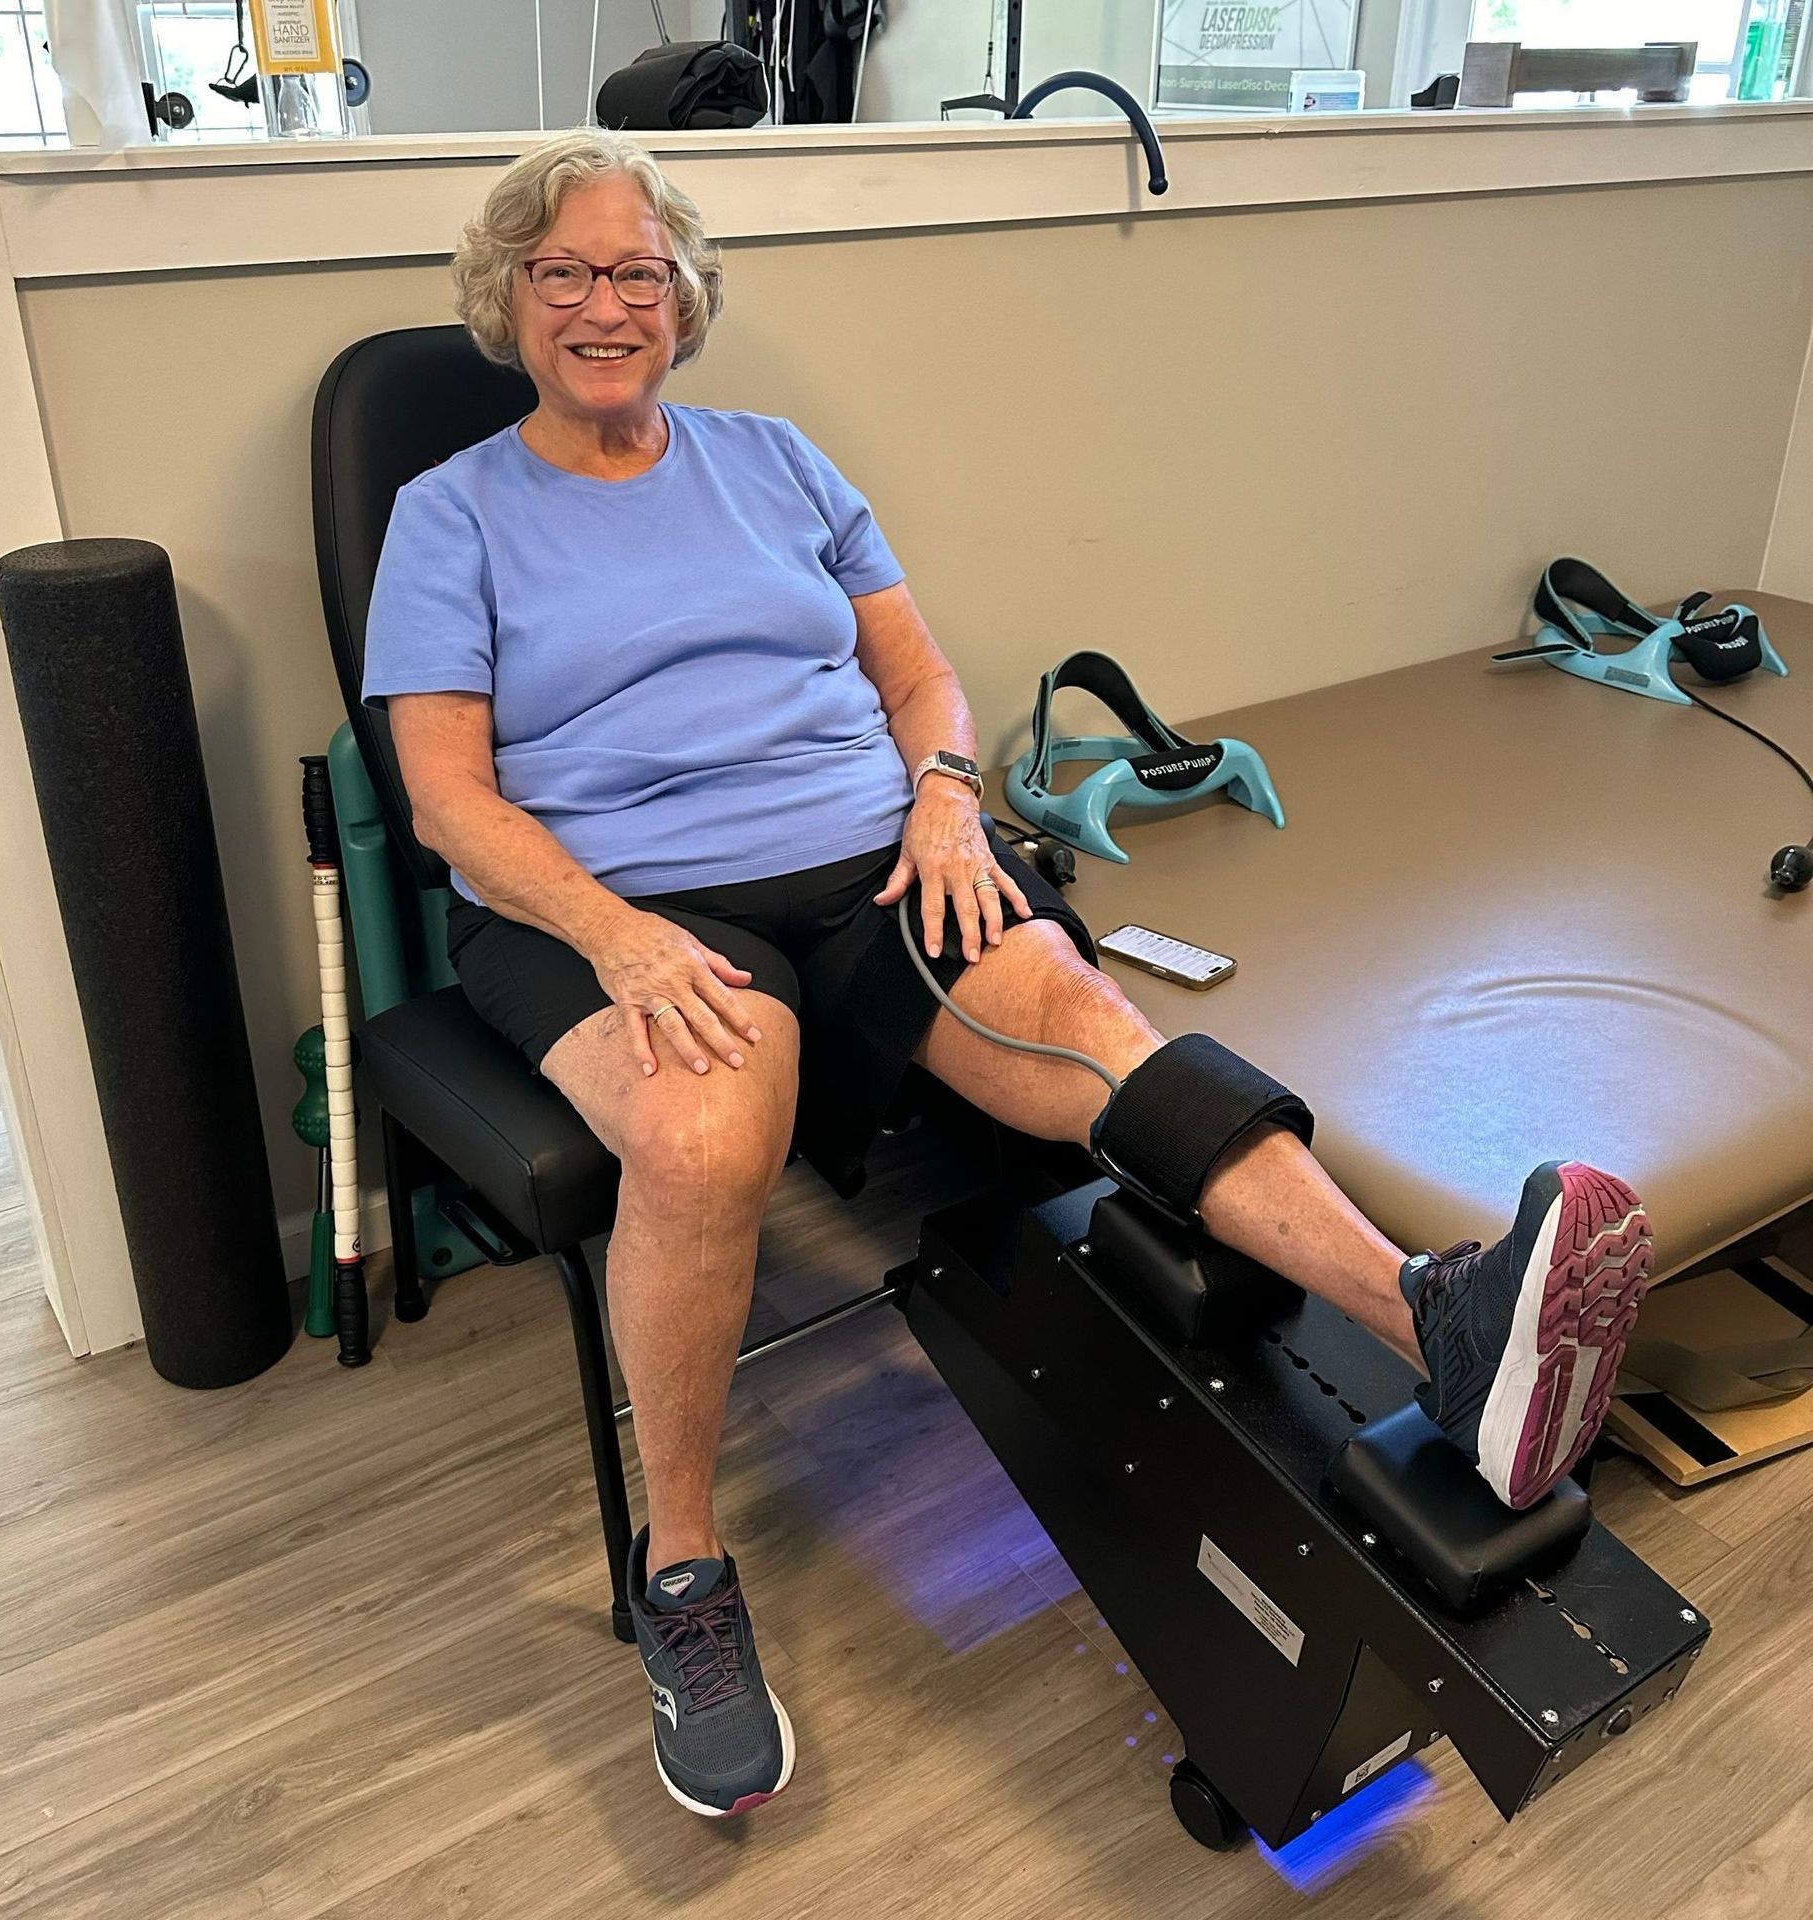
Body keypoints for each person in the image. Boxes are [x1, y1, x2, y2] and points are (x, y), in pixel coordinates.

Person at [362, 129, 1654, 1821]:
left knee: (1085, 1017)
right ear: (507, 300)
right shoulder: (451, 513)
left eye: (638, 272)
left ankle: (1439, 1320)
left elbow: (921, 677)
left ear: (685, 300)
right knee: (699, 1130)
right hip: (613, 896)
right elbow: (446, 795)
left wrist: (954, 803)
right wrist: (614, 931)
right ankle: (683, 1570)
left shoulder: (778, 462)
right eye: (564, 274)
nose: (606, 304)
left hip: (876, 860)